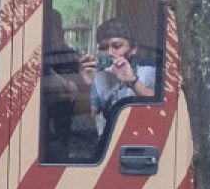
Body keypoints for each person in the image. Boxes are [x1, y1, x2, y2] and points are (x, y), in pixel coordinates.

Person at [41, 9, 98, 162]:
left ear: (61, 31)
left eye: (53, 29)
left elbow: (84, 102)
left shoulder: (77, 60)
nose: (49, 35)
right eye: (45, 30)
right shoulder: (30, 63)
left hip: (73, 135)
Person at [82, 17, 156, 132]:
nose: (109, 53)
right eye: (103, 48)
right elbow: (90, 117)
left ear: (133, 49)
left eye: (116, 46)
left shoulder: (148, 70)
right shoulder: (99, 76)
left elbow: (163, 108)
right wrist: (87, 85)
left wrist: (133, 81)